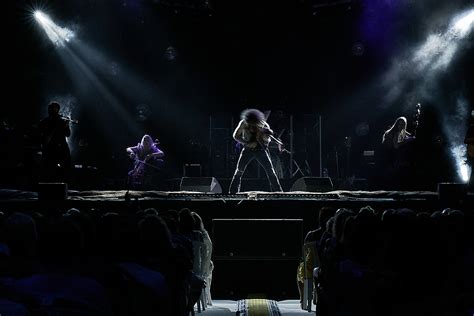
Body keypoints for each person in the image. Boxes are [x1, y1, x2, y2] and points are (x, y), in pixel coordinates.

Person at [229, 109, 283, 193]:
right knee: (239, 170)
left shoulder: (263, 124)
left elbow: (267, 140)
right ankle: (233, 192)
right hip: (247, 150)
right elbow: (235, 135)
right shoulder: (243, 123)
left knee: (270, 170)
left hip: (260, 150)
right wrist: (246, 142)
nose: (252, 126)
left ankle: (278, 191)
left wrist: (264, 135)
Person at [38, 101, 71, 182]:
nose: (51, 110)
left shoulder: (62, 121)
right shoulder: (44, 121)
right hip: (50, 148)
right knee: (49, 169)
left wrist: (66, 125)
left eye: (53, 108)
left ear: (57, 110)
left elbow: (68, 134)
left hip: (60, 148)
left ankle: (63, 183)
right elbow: (40, 136)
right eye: (50, 108)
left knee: (64, 166)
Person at [379, 116, 416, 189]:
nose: (402, 126)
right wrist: (406, 141)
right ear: (397, 124)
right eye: (400, 124)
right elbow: (396, 146)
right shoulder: (396, 132)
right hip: (389, 156)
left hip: (392, 156)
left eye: (403, 124)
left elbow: (411, 136)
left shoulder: (402, 131)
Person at [464, 116, 474, 191]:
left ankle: (470, 187)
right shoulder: (471, 128)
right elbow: (465, 140)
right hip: (472, 154)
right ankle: (470, 188)